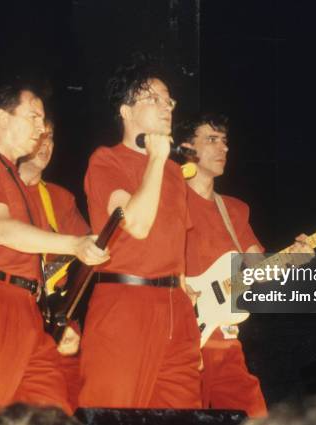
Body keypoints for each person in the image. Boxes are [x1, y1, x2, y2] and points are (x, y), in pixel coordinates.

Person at [0, 81, 108, 413]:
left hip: (27, 309)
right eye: (33, 117)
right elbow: (1, 231)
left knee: (51, 410)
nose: (41, 129)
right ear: (2, 118)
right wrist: (75, 244)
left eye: (44, 122)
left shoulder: (33, 189)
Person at [78, 57, 202, 408]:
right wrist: (157, 160)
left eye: (169, 101)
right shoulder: (106, 160)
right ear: (126, 112)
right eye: (153, 98)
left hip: (176, 310)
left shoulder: (176, 175)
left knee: (182, 413)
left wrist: (186, 303)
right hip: (125, 304)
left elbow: (177, 246)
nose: (166, 107)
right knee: (114, 411)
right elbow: (136, 223)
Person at [177, 113, 313, 417]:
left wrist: (294, 259)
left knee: (255, 416)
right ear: (186, 147)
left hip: (225, 342)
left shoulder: (234, 210)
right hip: (178, 342)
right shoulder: (169, 200)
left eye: (225, 141)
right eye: (211, 139)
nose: (222, 148)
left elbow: (259, 270)